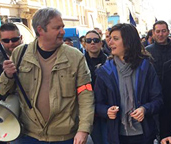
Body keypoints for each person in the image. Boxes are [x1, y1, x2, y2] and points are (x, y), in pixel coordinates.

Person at [0, 7, 94, 144]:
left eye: (62, 27)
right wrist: (7, 76)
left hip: (66, 137)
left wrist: (84, 129)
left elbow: (86, 95)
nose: (63, 31)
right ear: (40, 30)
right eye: (57, 28)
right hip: (29, 136)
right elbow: (3, 91)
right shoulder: (20, 54)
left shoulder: (75, 57)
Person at [94, 23, 163, 144]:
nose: (109, 43)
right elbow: (97, 104)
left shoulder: (146, 68)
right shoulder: (104, 71)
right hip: (117, 136)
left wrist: (144, 109)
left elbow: (158, 100)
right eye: (110, 38)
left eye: (115, 39)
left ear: (128, 41)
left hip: (144, 135)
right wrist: (107, 111)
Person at [84, 30, 108, 144]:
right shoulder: (79, 63)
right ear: (85, 44)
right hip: (89, 111)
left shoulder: (110, 61)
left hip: (107, 109)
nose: (92, 43)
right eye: (89, 41)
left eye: (96, 40)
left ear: (101, 43)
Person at [0, 23, 23, 144]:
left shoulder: (31, 56)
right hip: (6, 117)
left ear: (21, 38)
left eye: (14, 39)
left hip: (30, 119)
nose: (10, 43)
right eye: (5, 40)